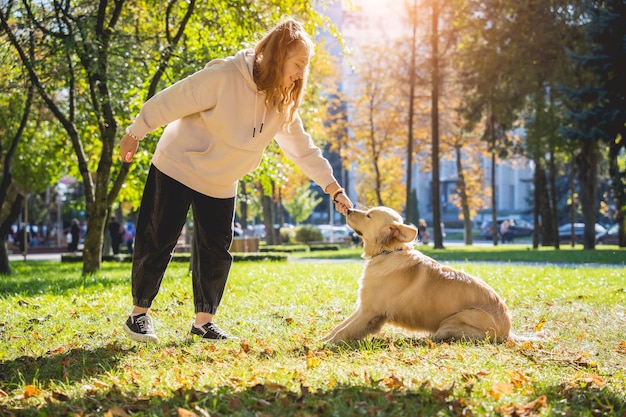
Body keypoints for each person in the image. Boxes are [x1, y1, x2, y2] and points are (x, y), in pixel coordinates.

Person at [119, 18, 353, 343]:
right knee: (158, 238)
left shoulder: (281, 103)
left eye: (305, 67)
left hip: (221, 178)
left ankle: (203, 323)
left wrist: (333, 188)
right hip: (178, 165)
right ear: (278, 56)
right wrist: (136, 130)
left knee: (216, 248)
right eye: (298, 64)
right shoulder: (225, 76)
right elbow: (175, 98)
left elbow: (303, 150)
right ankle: (138, 315)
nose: (301, 74)